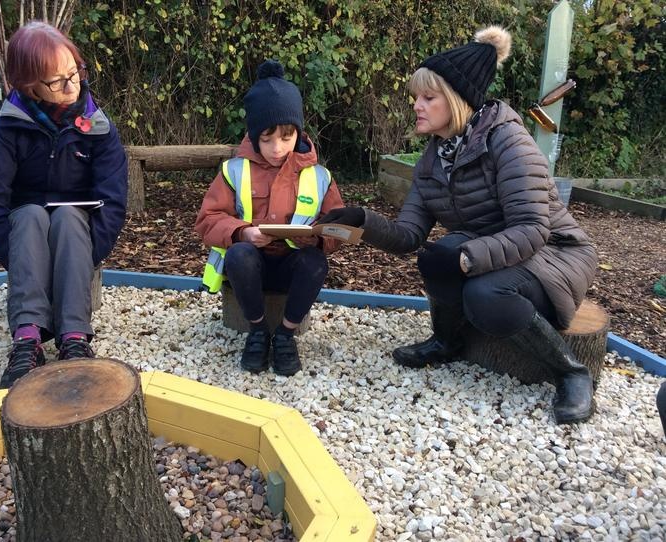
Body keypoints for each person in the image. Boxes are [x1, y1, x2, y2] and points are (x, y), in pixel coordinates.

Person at [318, 26, 598, 424]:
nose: (416, 105)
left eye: (428, 98)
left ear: (457, 99)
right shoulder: (433, 159)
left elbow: (532, 229)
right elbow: (409, 236)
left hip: (554, 254)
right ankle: (446, 342)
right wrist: (361, 220)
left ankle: (571, 373)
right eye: (416, 97)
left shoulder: (510, 142)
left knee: (483, 292)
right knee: (437, 255)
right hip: (500, 251)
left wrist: (466, 259)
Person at [0, 21, 128, 389]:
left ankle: (74, 338)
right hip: (26, 231)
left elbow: (113, 201)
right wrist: (19, 255)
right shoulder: (8, 127)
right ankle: (27, 339)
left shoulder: (98, 126)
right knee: (28, 216)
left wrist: (87, 252)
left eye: (75, 73)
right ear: (29, 86)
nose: (72, 86)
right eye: (57, 81)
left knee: (70, 217)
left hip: (77, 232)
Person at [195, 60, 345, 376]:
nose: (277, 148)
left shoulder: (320, 175)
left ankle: (286, 335)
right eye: (266, 139)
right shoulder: (234, 170)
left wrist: (316, 238)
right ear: (253, 136)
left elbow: (339, 228)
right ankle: (258, 331)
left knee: (316, 262)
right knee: (239, 255)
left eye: (286, 137)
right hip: (250, 268)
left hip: (293, 266)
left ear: (298, 133)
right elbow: (208, 219)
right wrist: (242, 232)